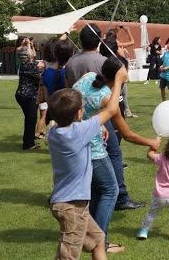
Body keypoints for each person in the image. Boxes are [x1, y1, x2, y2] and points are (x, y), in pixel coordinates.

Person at [74, 57, 160, 254]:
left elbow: (81, 103)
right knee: (111, 191)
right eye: (124, 71)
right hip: (93, 151)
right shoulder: (106, 97)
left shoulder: (88, 77)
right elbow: (127, 135)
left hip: (77, 145)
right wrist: (152, 143)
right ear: (119, 73)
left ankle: (90, 237)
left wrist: (100, 123)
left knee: (97, 192)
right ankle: (100, 244)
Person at [46, 65, 126, 260]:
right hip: (72, 206)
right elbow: (112, 109)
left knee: (98, 240)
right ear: (79, 114)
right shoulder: (80, 132)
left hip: (66, 203)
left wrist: (96, 129)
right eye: (82, 108)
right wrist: (118, 80)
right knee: (67, 256)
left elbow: (70, 125)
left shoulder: (55, 132)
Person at [65, 24, 145, 212]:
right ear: (99, 40)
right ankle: (120, 197)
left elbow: (68, 92)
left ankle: (91, 197)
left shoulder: (70, 63)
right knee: (114, 154)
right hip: (101, 116)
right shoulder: (104, 61)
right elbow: (114, 99)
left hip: (78, 120)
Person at [37, 37, 74, 137]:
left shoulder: (47, 73)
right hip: (67, 113)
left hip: (52, 113)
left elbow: (46, 98)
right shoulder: (69, 73)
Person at [15, 39, 44, 150]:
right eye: (31, 49)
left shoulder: (26, 64)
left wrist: (28, 44)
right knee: (31, 119)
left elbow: (32, 55)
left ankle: (29, 141)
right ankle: (28, 144)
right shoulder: (29, 66)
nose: (33, 50)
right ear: (28, 56)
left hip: (25, 95)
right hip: (28, 96)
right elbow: (41, 77)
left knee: (30, 119)